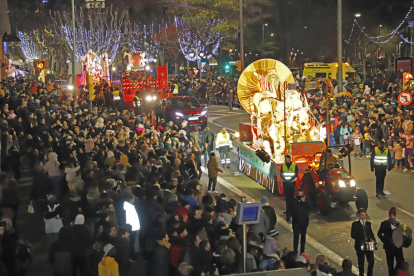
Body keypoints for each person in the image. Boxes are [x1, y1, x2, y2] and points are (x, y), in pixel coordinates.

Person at [377, 207, 404, 276]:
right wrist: (385, 240)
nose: (392, 216)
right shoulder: (385, 223)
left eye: (393, 215)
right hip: (389, 247)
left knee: (401, 261)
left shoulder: (398, 223)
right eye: (391, 215)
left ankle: (394, 273)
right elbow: (379, 233)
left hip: (397, 246)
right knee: (390, 264)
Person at [351, 208, 376, 276]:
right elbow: (353, 235)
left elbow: (371, 233)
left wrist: (374, 240)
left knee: (371, 261)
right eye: (362, 215)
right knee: (361, 261)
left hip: (368, 243)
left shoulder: (368, 223)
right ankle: (361, 274)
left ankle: (369, 274)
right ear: (359, 215)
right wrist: (361, 237)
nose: (363, 217)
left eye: (364, 215)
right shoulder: (355, 224)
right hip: (360, 244)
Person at [291, 188, 313, 255]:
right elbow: (290, 208)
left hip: (304, 221)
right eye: (299, 193)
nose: (300, 195)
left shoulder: (306, 200)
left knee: (303, 236)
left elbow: (311, 206)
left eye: (301, 193)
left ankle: (302, 251)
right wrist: (288, 218)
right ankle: (295, 250)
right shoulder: (294, 200)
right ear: (297, 193)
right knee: (296, 236)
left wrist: (304, 202)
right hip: (296, 221)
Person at [279, 155, 298, 223]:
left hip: (291, 185)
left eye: (287, 159)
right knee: (287, 200)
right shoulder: (283, 166)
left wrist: (290, 180)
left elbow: (296, 174)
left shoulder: (294, 166)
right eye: (285, 159)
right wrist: (285, 179)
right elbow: (281, 173)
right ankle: (288, 215)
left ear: (290, 159)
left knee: (291, 200)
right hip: (286, 185)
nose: (286, 160)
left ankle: (291, 214)